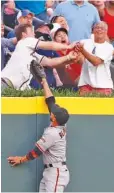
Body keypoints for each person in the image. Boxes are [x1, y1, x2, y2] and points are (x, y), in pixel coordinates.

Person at [7, 63, 70, 192]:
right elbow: (51, 101)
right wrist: (44, 81)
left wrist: (21, 159)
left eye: (53, 112)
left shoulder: (52, 133)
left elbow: (36, 152)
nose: (52, 111)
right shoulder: (61, 123)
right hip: (52, 171)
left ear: (54, 118)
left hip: (56, 172)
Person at [1, 23, 78, 91]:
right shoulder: (25, 41)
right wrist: (68, 47)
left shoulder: (31, 54)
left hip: (13, 89)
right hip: (4, 84)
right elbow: (50, 45)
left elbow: (50, 62)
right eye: (31, 32)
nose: (34, 34)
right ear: (24, 35)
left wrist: (68, 57)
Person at [75, 21, 114, 95]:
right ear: (93, 30)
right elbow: (78, 57)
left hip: (103, 86)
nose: (99, 29)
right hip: (85, 85)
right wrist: (78, 53)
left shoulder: (109, 47)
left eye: (102, 28)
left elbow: (96, 62)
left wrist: (82, 51)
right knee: (82, 106)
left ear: (106, 32)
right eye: (97, 27)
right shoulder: (84, 42)